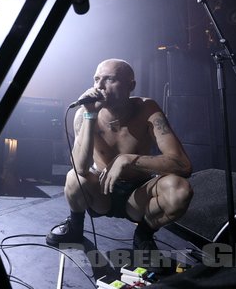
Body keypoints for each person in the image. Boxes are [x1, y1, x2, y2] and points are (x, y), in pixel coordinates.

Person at [46, 58, 193, 251]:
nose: (99, 86)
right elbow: (80, 167)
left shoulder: (147, 109)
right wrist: (90, 115)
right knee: (74, 178)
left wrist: (128, 159)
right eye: (96, 79)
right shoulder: (84, 114)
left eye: (109, 79)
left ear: (130, 85)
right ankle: (75, 226)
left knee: (180, 190)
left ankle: (144, 235)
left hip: (138, 196)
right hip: (101, 193)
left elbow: (183, 164)